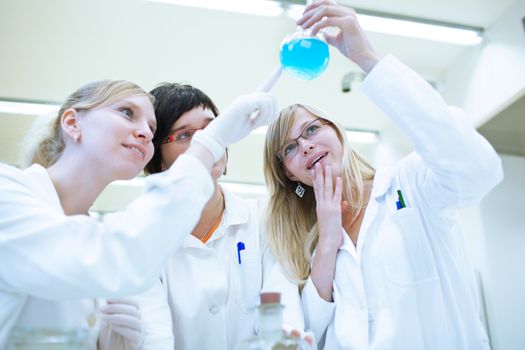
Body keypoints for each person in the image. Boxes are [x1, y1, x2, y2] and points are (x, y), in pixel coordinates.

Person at [262, 1, 503, 349]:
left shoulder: (410, 184)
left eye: (312, 130)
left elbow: (478, 171)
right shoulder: (310, 245)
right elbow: (308, 332)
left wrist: (368, 59)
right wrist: (328, 239)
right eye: (289, 149)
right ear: (290, 175)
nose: (306, 147)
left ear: (337, 132)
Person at [0, 79, 277, 349]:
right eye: (127, 113)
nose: (145, 132)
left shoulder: (95, 233)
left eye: (151, 126)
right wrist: (209, 143)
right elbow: (119, 254)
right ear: (73, 123)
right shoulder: (8, 191)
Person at [98, 83, 305, 350]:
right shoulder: (144, 237)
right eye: (184, 135)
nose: (208, 141)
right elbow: (155, 336)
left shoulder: (264, 218)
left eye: (213, 128)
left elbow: (282, 314)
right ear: (157, 156)